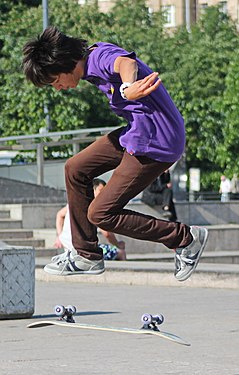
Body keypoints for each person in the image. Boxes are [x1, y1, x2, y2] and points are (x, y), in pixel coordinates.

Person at [22, 26, 208, 282]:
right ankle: (86, 255)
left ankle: (186, 239)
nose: (59, 88)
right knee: (75, 168)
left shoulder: (98, 59)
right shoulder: (90, 62)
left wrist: (127, 88)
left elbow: (125, 63)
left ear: (65, 63)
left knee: (100, 213)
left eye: (56, 81)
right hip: (138, 132)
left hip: (156, 141)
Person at [53, 179, 126, 264]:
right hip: (83, 249)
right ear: (92, 190)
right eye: (101, 191)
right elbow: (107, 234)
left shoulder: (75, 202)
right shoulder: (95, 208)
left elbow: (60, 215)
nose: (103, 195)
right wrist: (118, 245)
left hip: (67, 246)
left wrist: (60, 236)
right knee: (120, 252)